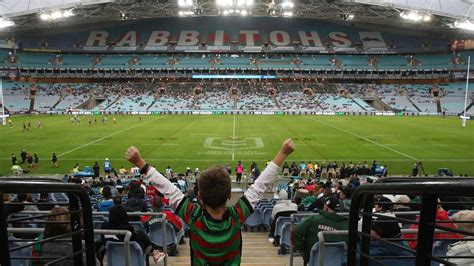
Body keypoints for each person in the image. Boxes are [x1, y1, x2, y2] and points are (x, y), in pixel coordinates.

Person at [125, 139, 294, 265]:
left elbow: (169, 189)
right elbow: (260, 185)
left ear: (200, 198)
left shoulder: (193, 216)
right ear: (229, 195)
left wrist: (141, 163)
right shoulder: (236, 217)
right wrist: (283, 154)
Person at [293, 196, 349, 265]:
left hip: (314, 260)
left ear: (326, 207)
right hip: (338, 262)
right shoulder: (347, 223)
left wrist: (303, 248)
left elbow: (295, 232)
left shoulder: (313, 219)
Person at [100, 205, 165, 263]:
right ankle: (154, 252)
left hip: (114, 261)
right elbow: (136, 240)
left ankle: (154, 252)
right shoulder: (128, 230)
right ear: (124, 216)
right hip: (132, 260)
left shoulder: (104, 228)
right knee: (143, 239)